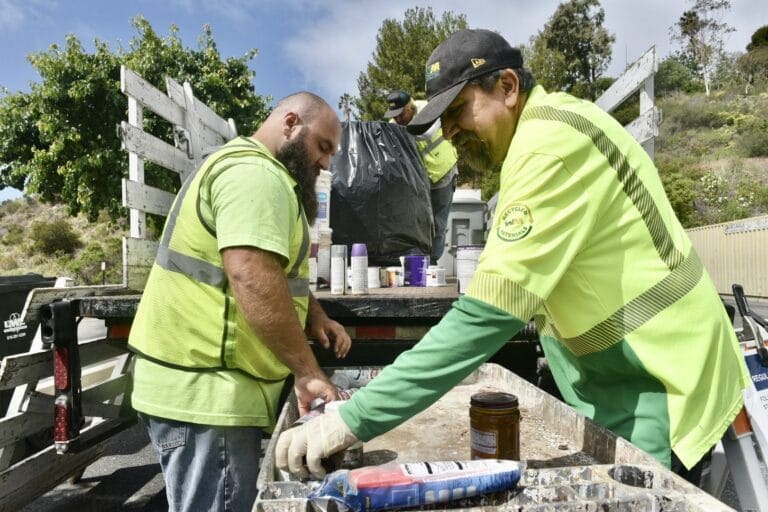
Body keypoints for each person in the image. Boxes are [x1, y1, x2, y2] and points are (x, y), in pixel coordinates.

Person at [276, 29, 749, 483]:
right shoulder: (545, 131)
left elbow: (486, 316)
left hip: (661, 379)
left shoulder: (549, 149)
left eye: (458, 111)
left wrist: (355, 417)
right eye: (442, 121)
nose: (449, 132)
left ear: (507, 87)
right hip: (623, 377)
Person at [128, 92, 352, 511]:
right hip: (208, 398)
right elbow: (251, 275)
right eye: (322, 146)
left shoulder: (258, 173)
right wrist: (307, 372)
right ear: (290, 124)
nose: (325, 163)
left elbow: (273, 269)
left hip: (208, 395)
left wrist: (315, 315)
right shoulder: (255, 176)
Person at [384, 89, 458, 264]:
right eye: (394, 116)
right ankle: (417, 259)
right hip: (420, 180)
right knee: (418, 222)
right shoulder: (394, 125)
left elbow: (430, 132)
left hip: (443, 173)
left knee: (437, 223)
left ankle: (432, 262)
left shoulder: (429, 109)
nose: (397, 119)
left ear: (410, 107)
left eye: (400, 114)